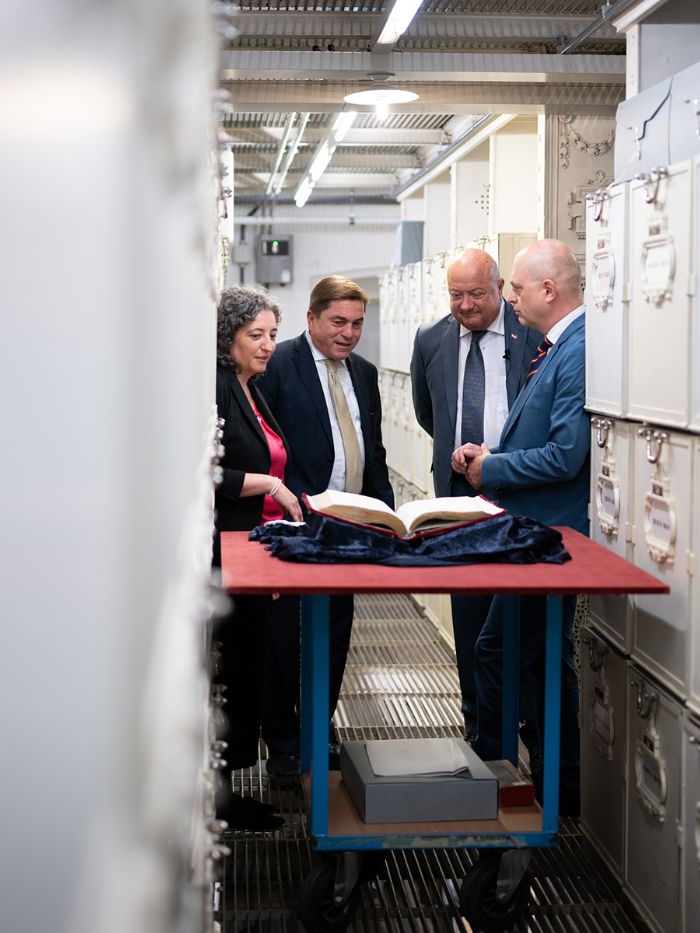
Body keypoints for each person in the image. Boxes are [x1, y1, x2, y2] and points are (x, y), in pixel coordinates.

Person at [451, 239, 589, 816]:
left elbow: (566, 455)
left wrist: (494, 467)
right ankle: (560, 788)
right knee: (537, 658)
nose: (511, 297)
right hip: (533, 532)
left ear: (548, 291)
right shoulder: (561, 346)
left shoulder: (578, 348)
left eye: (517, 287)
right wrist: (493, 452)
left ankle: (497, 790)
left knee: (498, 652)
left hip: (549, 537)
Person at [255, 275, 392, 786]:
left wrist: (388, 519)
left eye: (357, 323)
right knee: (285, 639)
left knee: (334, 632)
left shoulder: (366, 373)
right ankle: (285, 744)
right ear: (311, 319)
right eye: (338, 322)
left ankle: (318, 727)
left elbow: (373, 453)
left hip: (348, 527)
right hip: (293, 527)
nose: (349, 333)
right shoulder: (278, 368)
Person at [409, 247, 542, 744]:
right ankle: (480, 726)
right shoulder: (430, 339)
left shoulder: (531, 334)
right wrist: (459, 453)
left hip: (521, 493)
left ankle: (526, 726)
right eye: (456, 295)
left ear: (501, 286)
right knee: (469, 615)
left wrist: (500, 459)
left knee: (520, 620)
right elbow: (429, 413)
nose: (465, 306)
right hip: (460, 498)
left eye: (476, 294)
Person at [212, 285, 303, 832]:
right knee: (236, 668)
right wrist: (266, 481)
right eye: (256, 336)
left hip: (257, 548)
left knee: (251, 668)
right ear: (228, 339)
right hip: (227, 551)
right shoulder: (220, 390)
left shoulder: (251, 388)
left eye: (272, 334)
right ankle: (221, 798)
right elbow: (204, 472)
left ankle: (230, 789)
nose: (268, 345)